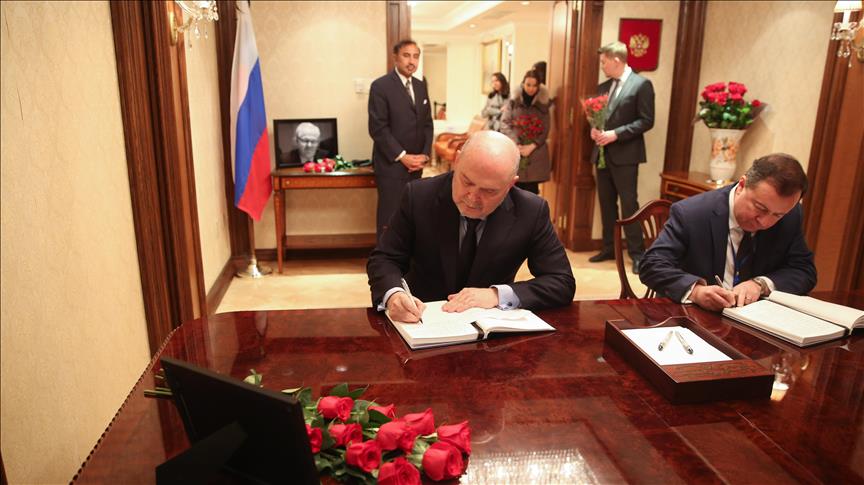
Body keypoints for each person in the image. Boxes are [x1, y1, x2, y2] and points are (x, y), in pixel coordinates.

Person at [366, 130, 576, 323]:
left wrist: (496, 295)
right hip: (423, 321)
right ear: (457, 161)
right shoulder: (419, 196)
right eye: (466, 181)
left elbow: (561, 281)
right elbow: (385, 258)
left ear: (510, 184)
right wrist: (394, 295)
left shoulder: (530, 210)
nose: (472, 198)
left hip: (490, 329)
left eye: (489, 191)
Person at [639, 153, 817, 312]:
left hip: (755, 318)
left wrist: (760, 284)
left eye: (778, 215)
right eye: (760, 208)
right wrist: (696, 292)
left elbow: (804, 270)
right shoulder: (692, 213)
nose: (765, 222)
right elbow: (652, 265)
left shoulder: (791, 216)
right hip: (694, 316)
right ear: (741, 186)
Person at [588, 41, 655, 275]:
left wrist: (616, 134)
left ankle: (637, 254)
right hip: (602, 154)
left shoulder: (641, 84)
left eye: (604, 62)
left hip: (626, 155)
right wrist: (594, 130)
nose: (602, 66)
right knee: (606, 204)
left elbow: (647, 120)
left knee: (629, 205)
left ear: (616, 60)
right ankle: (609, 248)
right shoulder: (603, 86)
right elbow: (598, 118)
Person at [368, 39, 434, 240]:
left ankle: (407, 257)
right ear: (395, 58)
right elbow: (378, 128)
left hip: (416, 167)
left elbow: (427, 124)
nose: (411, 61)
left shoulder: (421, 86)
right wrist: (403, 156)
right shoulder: (380, 86)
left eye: (415, 56)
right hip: (392, 166)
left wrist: (424, 155)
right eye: (406, 55)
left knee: (413, 215)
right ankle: (385, 258)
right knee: (390, 218)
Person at [500, 70, 550, 195]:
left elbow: (546, 128)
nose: (531, 88)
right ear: (523, 84)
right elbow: (504, 123)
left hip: (535, 153)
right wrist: (516, 142)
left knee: (531, 192)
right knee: (513, 189)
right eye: (528, 85)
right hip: (515, 149)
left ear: (538, 87)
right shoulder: (513, 102)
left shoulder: (543, 105)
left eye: (534, 85)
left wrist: (532, 146)